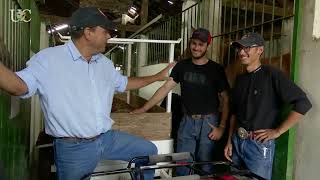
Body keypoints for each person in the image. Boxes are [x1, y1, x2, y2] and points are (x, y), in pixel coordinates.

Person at [0, 7, 175, 180]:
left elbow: (124, 83)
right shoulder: (48, 60)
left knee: (148, 151)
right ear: (88, 32)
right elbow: (19, 86)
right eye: (105, 31)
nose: (109, 35)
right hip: (73, 148)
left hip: (106, 139)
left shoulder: (104, 63)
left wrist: (158, 77)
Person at [132, 28, 230, 176]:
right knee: (182, 163)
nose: (196, 48)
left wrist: (221, 127)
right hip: (187, 121)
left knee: (206, 164)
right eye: (193, 43)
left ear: (207, 46)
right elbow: (165, 88)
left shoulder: (216, 69)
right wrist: (144, 109)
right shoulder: (182, 66)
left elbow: (226, 98)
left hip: (209, 123)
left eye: (200, 45)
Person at [224, 32, 312, 179]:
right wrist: (229, 141)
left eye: (247, 48)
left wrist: (277, 131)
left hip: (258, 145)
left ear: (260, 50)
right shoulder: (239, 79)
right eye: (239, 48)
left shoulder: (272, 75)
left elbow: (303, 103)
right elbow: (234, 113)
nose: (241, 52)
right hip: (237, 142)